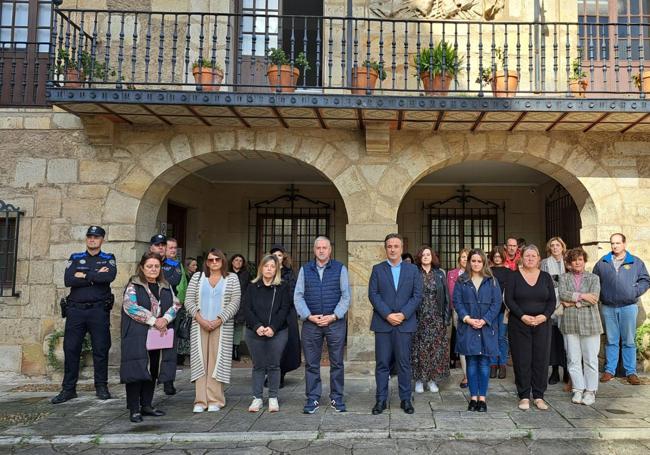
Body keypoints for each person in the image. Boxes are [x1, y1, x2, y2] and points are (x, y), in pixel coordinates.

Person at [52, 226, 116, 405]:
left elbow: (109, 277)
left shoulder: (108, 259)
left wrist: (83, 275)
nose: (92, 240)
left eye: (96, 237)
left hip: (98, 310)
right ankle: (68, 389)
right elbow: (68, 280)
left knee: (101, 349)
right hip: (76, 311)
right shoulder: (76, 257)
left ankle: (101, 387)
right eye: (89, 237)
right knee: (71, 349)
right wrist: (94, 275)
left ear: (102, 239)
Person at [120, 252, 181, 423]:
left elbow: (176, 304)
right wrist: (154, 320)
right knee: (136, 369)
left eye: (156, 266)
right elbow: (130, 306)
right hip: (137, 335)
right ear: (142, 268)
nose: (153, 269)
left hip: (157, 336)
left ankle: (146, 404)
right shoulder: (134, 285)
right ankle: (134, 408)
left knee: (153, 368)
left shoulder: (165, 284)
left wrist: (165, 319)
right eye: (149, 266)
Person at [294, 236, 351, 414]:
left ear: (330, 250)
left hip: (335, 323)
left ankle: (337, 397)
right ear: (314, 250)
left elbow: (346, 296)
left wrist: (334, 316)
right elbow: (298, 296)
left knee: (337, 363)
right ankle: (313, 398)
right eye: (318, 247)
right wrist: (309, 316)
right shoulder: (305, 270)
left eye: (324, 247)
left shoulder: (340, 269)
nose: (321, 250)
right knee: (311, 363)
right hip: (311, 324)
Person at [369, 233, 423, 415]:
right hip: (383, 324)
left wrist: (403, 314)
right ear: (386, 249)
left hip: (404, 324)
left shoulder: (412, 270)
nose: (392, 249)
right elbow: (373, 294)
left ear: (401, 248)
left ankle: (406, 399)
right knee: (382, 364)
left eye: (396, 246)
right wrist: (387, 314)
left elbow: (417, 295)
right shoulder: (377, 269)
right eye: (389, 246)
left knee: (404, 363)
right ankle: (381, 400)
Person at [185, 248, 241, 413]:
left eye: (217, 259)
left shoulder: (232, 278)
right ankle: (200, 400)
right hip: (199, 325)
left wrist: (219, 320)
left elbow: (235, 301)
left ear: (223, 261)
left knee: (217, 362)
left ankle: (215, 399)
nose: (214, 263)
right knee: (200, 361)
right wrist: (200, 319)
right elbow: (188, 300)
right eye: (211, 260)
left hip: (222, 326)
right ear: (206, 262)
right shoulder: (197, 277)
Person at [594, 233, 650, 385]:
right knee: (611, 340)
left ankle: (630, 372)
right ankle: (609, 371)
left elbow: (645, 280)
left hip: (628, 307)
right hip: (608, 307)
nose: (615, 246)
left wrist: (634, 292)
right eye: (612, 243)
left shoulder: (636, 262)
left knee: (629, 341)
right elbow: (594, 281)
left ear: (624, 244)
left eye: (618, 243)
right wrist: (602, 295)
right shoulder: (603, 262)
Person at [505, 245, 556, 411]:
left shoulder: (546, 277)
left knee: (541, 360)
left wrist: (544, 316)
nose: (530, 259)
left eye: (533, 256)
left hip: (542, 324)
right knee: (522, 360)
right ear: (522, 257)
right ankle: (524, 396)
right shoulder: (513, 276)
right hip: (519, 323)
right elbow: (509, 299)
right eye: (527, 256)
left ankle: (539, 396)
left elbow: (552, 301)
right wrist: (522, 316)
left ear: (539, 258)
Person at [454, 249, 502, 412]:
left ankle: (482, 398)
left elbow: (497, 304)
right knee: (471, 363)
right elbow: (457, 302)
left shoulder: (492, 281)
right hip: (468, 327)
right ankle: (473, 397)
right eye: (473, 261)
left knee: (483, 363)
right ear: (469, 262)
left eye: (479, 261)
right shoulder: (462, 280)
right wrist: (467, 318)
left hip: (486, 328)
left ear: (484, 263)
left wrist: (485, 320)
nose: (476, 264)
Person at [245, 255, 291, 413]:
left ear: (277, 269)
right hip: (254, 331)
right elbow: (247, 308)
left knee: (273, 364)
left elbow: (284, 309)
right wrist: (257, 326)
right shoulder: (252, 286)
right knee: (258, 365)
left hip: (277, 331)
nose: (269, 269)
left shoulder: (282, 287)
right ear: (261, 268)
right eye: (266, 266)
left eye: (272, 266)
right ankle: (257, 398)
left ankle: (273, 397)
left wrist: (273, 327)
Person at [558, 248, 602, 406]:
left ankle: (590, 391)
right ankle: (578, 388)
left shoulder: (594, 278)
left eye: (580, 259)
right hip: (569, 323)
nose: (577, 262)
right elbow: (562, 294)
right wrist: (583, 296)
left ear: (584, 261)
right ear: (569, 263)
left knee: (590, 359)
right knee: (573, 358)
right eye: (574, 260)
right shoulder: (563, 277)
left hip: (590, 323)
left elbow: (595, 298)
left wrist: (573, 302)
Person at [411, 246, 451, 395]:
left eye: (428, 254)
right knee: (419, 350)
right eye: (423, 254)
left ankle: (433, 380)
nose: (426, 257)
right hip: (419, 317)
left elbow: (446, 298)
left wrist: (446, 319)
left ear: (432, 257)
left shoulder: (440, 274)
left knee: (435, 350)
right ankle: (420, 380)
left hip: (436, 317)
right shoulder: (414, 273)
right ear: (419, 257)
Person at [157, 236, 186, 396]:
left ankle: (168, 381)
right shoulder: (154, 263)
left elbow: (179, 283)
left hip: (172, 311)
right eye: (170, 248)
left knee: (170, 348)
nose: (173, 250)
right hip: (154, 312)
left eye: (175, 248)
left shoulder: (176, 265)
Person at [270, 244, 301, 387]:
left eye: (280, 255)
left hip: (286, 314)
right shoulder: (267, 271)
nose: (277, 258)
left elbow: (293, 293)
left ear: (284, 257)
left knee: (284, 345)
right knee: (269, 345)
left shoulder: (289, 273)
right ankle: (270, 374)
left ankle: (280, 374)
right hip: (269, 313)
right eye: (274, 255)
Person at [540, 237, 569, 386]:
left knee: (567, 340)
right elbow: (543, 281)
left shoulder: (569, 261)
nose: (555, 248)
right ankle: (555, 372)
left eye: (558, 245)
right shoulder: (544, 263)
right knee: (553, 340)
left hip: (567, 304)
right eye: (552, 246)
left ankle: (567, 371)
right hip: (551, 303)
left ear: (563, 247)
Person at [488, 246, 511, 379]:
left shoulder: (509, 272)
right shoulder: (488, 271)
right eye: (495, 256)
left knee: (502, 337)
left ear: (503, 257)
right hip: (490, 310)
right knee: (491, 336)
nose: (497, 258)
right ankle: (492, 364)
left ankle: (502, 364)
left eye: (499, 256)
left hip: (504, 309)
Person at [447, 248, 469, 388]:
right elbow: (450, 293)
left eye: (467, 257)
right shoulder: (451, 274)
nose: (465, 260)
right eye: (462, 257)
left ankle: (474, 374)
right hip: (458, 311)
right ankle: (466, 375)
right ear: (459, 259)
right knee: (462, 341)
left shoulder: (477, 273)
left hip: (475, 312)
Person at [176, 257, 198, 364]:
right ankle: (180, 355)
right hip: (184, 307)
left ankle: (186, 354)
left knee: (188, 331)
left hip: (191, 307)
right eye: (193, 265)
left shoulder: (195, 276)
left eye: (196, 265)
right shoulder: (185, 276)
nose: (195, 267)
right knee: (183, 330)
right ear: (188, 266)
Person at [230, 254, 251, 362]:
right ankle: (228, 350)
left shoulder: (246, 274)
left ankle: (236, 350)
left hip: (242, 304)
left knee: (238, 328)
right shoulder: (227, 274)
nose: (238, 262)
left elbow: (249, 290)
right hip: (228, 304)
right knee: (228, 327)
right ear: (232, 262)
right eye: (236, 260)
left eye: (240, 261)